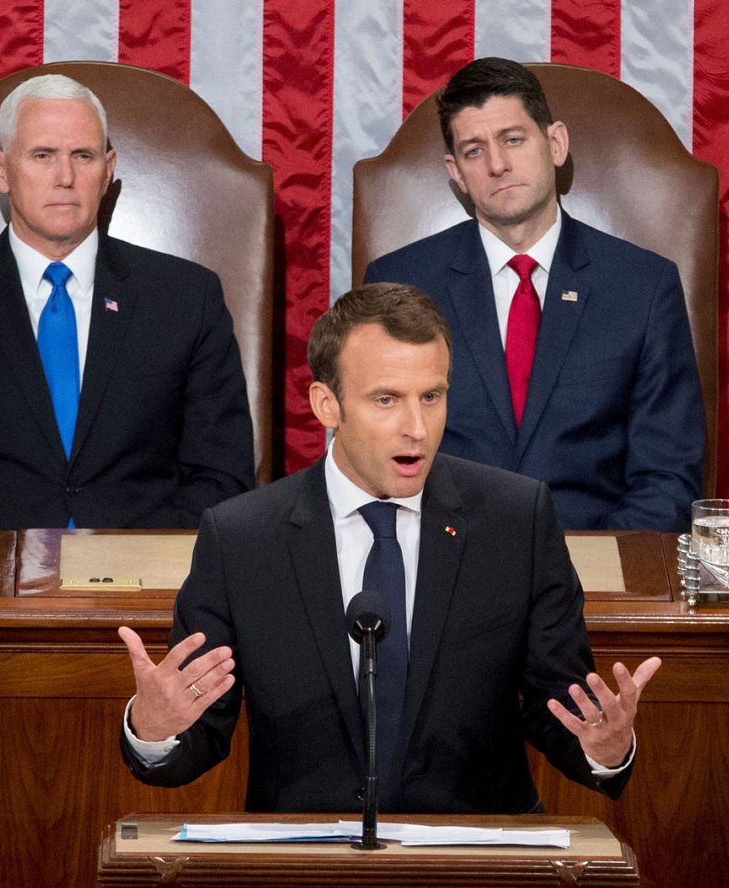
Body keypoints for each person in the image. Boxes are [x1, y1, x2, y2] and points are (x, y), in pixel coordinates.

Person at [116, 282, 661, 814]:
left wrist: (605, 749)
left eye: (432, 396)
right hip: (306, 869)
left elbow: (561, 712)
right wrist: (154, 728)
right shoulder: (242, 538)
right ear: (326, 405)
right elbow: (199, 738)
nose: (416, 428)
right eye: (386, 400)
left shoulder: (516, 519)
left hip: (478, 863)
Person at [0, 74, 253, 529]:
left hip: (142, 583)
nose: (64, 178)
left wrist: (133, 566)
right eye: (42, 155)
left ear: (107, 170)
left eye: (82, 156)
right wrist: (1, 569)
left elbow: (222, 477)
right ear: (1, 169)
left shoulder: (187, 299)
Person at [364, 57, 704, 532]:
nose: (498, 165)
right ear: (456, 172)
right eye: (474, 151)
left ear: (556, 143)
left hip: (594, 565)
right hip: (442, 566)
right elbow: (373, 458)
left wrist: (588, 569)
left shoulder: (642, 286)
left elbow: (667, 477)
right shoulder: (400, 282)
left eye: (513, 139)